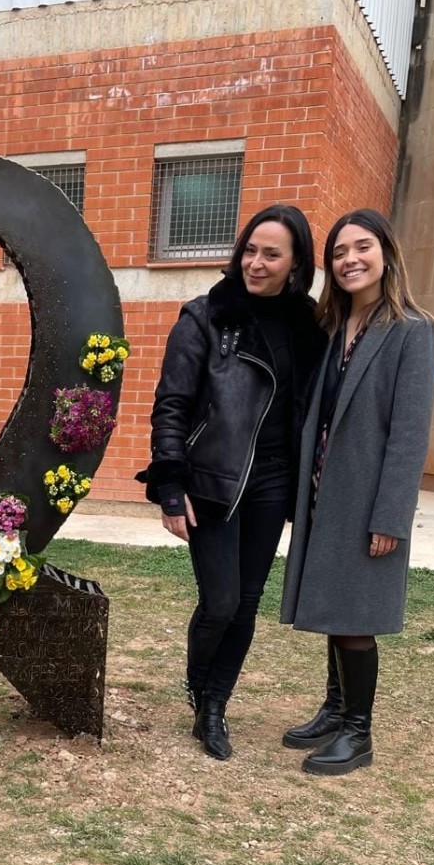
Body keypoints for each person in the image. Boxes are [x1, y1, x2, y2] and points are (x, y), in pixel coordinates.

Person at [136, 204, 326, 760]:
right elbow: (171, 405)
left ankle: (214, 706)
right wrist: (170, 486)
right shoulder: (205, 316)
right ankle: (199, 685)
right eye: (251, 250)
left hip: (272, 483)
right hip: (215, 482)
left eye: (272, 254)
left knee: (246, 604)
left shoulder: (308, 326)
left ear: (296, 264)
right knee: (218, 603)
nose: (256, 263)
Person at [280, 209, 434, 776]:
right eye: (339, 252)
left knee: (355, 615)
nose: (350, 259)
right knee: (332, 600)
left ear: (386, 254)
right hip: (325, 489)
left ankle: (358, 733)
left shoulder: (412, 330)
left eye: (362, 247)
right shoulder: (333, 327)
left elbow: (410, 432)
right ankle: (334, 707)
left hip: (368, 497)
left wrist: (391, 516)